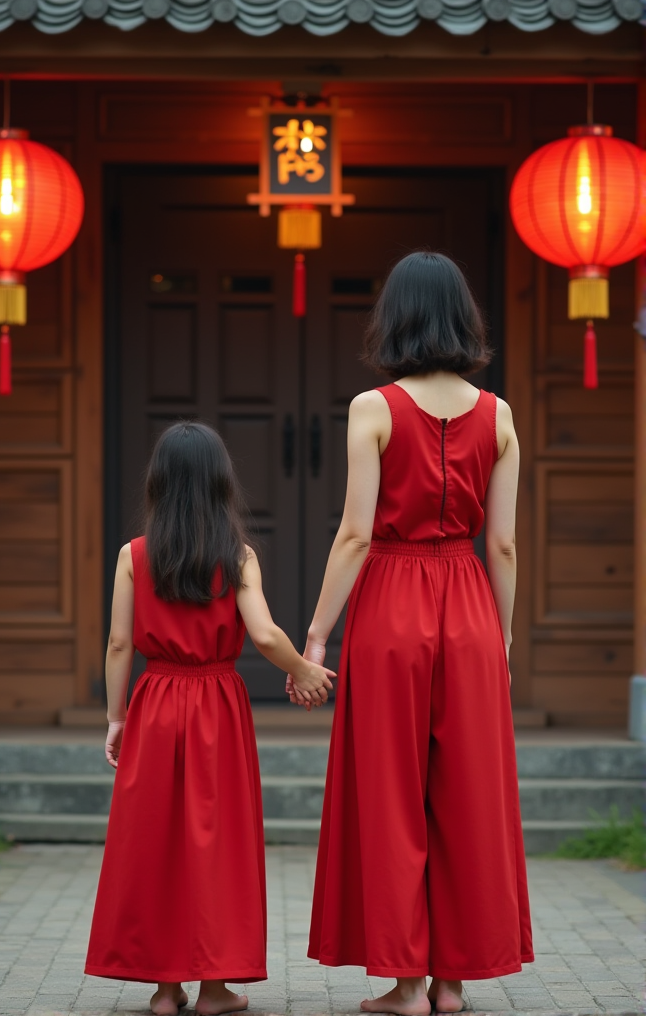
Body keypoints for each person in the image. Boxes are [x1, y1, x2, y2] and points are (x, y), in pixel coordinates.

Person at [292, 252, 534, 1015]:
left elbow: (355, 536)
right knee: (465, 793)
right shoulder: (497, 415)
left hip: (390, 604)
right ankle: (453, 982)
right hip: (467, 603)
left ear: (394, 317)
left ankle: (405, 984)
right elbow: (502, 544)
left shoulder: (373, 407)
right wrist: (500, 637)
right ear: (464, 318)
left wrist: (318, 635)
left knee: (391, 793)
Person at [85, 421, 334, 1016]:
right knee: (215, 844)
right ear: (222, 483)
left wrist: (116, 717)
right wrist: (304, 670)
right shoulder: (237, 555)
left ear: (159, 482)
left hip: (155, 701)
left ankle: (164, 987)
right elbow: (265, 633)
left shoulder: (134, 555)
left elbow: (120, 645)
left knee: (154, 840)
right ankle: (214, 988)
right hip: (216, 706)